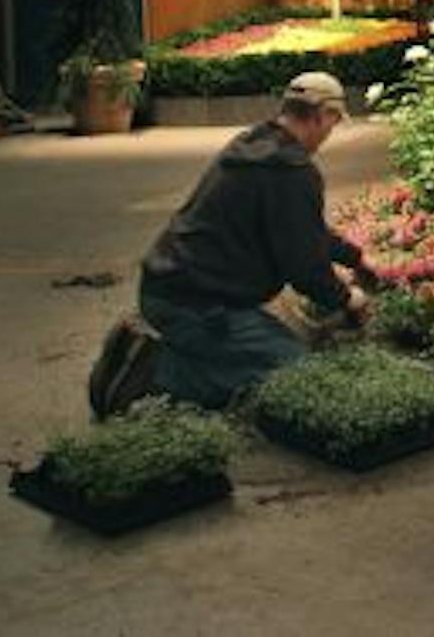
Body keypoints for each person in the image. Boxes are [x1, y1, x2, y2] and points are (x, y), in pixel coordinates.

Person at [110, 71, 369, 412]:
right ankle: (156, 375)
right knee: (294, 371)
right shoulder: (290, 171)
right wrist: (347, 298)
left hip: (166, 289)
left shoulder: (253, 145)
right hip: (199, 307)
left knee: (266, 351)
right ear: (321, 116)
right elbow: (304, 267)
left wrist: (355, 257)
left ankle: (171, 349)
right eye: (332, 124)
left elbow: (302, 230)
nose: (328, 135)